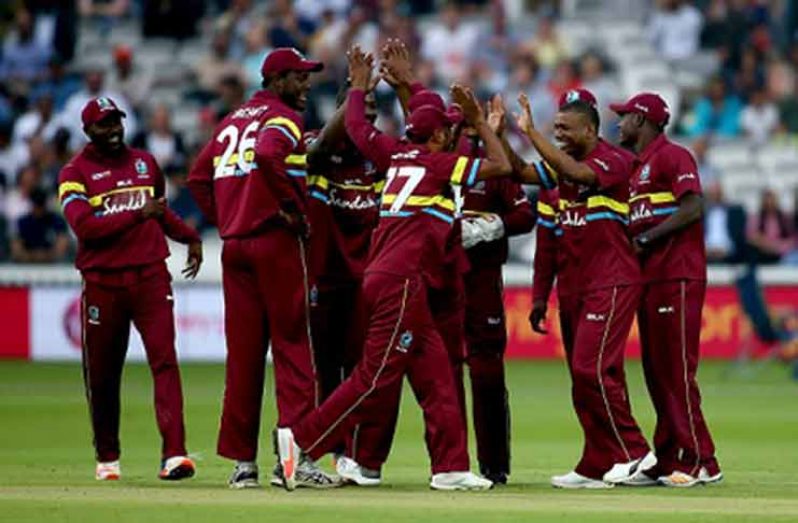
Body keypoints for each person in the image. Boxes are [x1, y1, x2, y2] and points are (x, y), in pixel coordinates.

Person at [275, 46, 511, 492]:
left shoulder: (391, 152)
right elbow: (499, 165)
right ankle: (301, 440)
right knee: (373, 376)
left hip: (389, 278)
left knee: (437, 375)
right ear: (439, 137)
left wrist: (361, 82)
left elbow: (359, 124)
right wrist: (479, 122)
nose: (453, 129)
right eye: (449, 127)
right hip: (401, 281)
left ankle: (450, 467)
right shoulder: (440, 165)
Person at [187, 47, 335, 489]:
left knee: (245, 357)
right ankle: (296, 460)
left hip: (236, 248)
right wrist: (291, 210)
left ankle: (242, 465)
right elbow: (271, 156)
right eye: (299, 77)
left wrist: (230, 219)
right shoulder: (282, 118)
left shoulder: (232, 120)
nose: (306, 84)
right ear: (276, 81)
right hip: (275, 243)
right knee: (293, 350)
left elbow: (197, 178)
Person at [511, 88, 653, 488]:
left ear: (590, 130)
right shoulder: (561, 165)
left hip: (611, 282)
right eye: (554, 127)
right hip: (574, 288)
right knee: (584, 378)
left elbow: (579, 176)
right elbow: (519, 173)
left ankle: (635, 453)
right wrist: (495, 132)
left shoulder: (614, 160)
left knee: (590, 369)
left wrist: (531, 133)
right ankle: (597, 460)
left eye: (565, 128)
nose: (558, 134)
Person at [58, 96, 202, 481]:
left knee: (165, 361)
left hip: (150, 276)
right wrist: (138, 214)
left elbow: (159, 211)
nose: (115, 130)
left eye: (117, 122)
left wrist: (189, 237)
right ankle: (108, 457)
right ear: (88, 131)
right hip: (103, 283)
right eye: (105, 125)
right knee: (103, 374)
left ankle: (174, 454)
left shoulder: (145, 163)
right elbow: (86, 228)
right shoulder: (74, 174)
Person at [612, 92, 723, 487]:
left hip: (677, 275)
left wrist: (648, 239)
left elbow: (693, 206)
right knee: (657, 373)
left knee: (676, 370)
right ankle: (667, 456)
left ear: (642, 121)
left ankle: (700, 460)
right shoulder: (635, 166)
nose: (619, 123)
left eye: (624, 117)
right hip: (651, 279)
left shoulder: (674, 156)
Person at [459, 95, 535, 485]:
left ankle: (494, 466)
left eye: (477, 126)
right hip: (440, 282)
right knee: (441, 378)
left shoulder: (496, 166)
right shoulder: (438, 160)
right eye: (466, 126)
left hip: (483, 279)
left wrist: (491, 225)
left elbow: (525, 215)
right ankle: (450, 464)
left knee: (487, 376)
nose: (472, 133)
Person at [10, 187, 70, 263]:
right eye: (36, 206)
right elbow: (16, 248)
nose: (39, 210)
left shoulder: (56, 220)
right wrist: (33, 256)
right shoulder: (23, 222)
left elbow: (62, 245)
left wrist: (46, 256)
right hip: (26, 264)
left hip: (53, 265)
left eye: (41, 206)